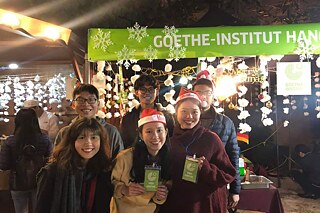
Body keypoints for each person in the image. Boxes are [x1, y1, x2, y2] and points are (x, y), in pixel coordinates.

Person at [160, 88, 236, 213]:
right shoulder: (169, 142)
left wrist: (206, 169)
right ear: (176, 113)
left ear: (200, 113)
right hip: (178, 205)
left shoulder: (211, 139)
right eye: (184, 111)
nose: (189, 117)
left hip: (205, 205)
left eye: (194, 112)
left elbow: (228, 174)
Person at [36, 117, 113, 212]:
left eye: (93, 138)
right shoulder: (52, 172)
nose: (88, 143)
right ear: (72, 142)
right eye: (81, 137)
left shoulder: (104, 171)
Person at [192, 70, 241, 208]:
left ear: (213, 95)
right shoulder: (185, 121)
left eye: (207, 92)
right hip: (190, 185)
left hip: (216, 183)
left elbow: (233, 157)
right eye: (199, 92)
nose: (203, 96)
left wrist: (235, 189)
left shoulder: (226, 123)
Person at [111, 108, 171, 213]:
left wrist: (160, 196)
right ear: (141, 135)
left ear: (165, 132)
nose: (155, 136)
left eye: (159, 130)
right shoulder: (125, 157)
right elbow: (109, 183)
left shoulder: (168, 159)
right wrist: (124, 189)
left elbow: (163, 194)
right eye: (148, 131)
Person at [0, 108, 52, 213]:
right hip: (39, 182)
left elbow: (3, 165)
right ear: (35, 121)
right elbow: (51, 160)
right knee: (39, 209)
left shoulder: (10, 141)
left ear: (17, 122)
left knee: (20, 210)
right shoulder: (44, 139)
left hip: (17, 182)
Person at [54, 83, 124, 160]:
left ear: (98, 104)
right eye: (80, 100)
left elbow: (119, 162)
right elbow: (57, 161)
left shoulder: (111, 131)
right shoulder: (64, 132)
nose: (86, 104)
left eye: (91, 99)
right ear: (73, 104)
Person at [120, 74, 175, 149]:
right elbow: (124, 142)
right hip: (135, 158)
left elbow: (171, 141)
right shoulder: (128, 118)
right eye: (143, 89)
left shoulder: (167, 117)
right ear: (136, 92)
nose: (147, 92)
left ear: (157, 91)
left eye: (151, 89)